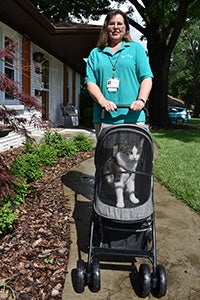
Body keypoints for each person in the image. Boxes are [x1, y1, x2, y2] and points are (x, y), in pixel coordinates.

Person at [85, 9, 153, 135]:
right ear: (106, 27)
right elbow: (90, 82)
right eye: (112, 24)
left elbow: (146, 78)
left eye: (120, 24)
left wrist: (141, 100)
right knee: (106, 155)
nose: (116, 27)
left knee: (133, 155)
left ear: (126, 28)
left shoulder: (136, 49)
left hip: (133, 118)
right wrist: (103, 101)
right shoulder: (96, 53)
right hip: (103, 118)